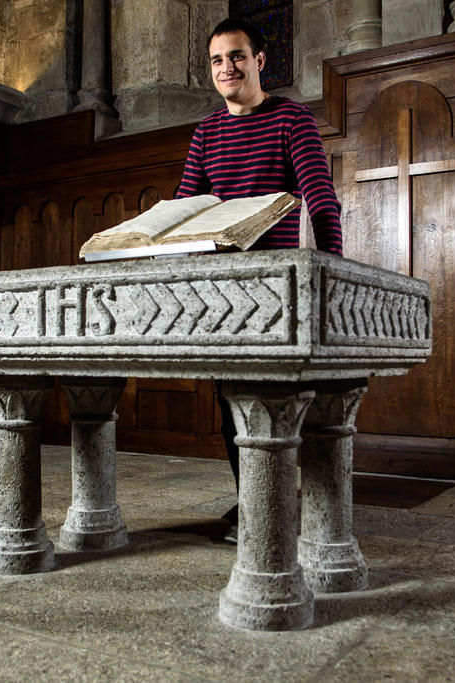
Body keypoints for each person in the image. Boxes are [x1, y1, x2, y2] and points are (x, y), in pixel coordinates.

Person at [175, 17, 343, 543]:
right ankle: (255, 500)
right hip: (222, 282)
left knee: (277, 399)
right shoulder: (207, 132)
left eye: (237, 56)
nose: (227, 67)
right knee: (231, 400)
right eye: (217, 60)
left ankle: (293, 503)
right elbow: (186, 206)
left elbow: (319, 194)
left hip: (275, 280)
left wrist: (331, 267)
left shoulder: (292, 119)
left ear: (259, 61)